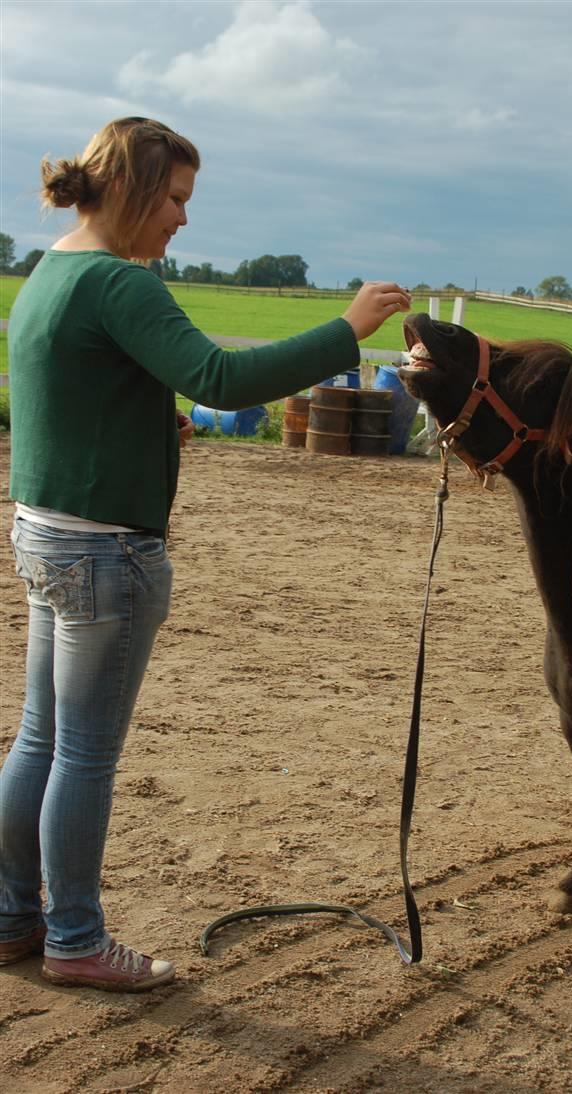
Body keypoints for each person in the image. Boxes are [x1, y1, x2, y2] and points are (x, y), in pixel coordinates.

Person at [0, 116, 411, 992]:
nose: (183, 219)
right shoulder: (122, 282)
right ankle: (75, 938)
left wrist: (151, 426)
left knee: (39, 740)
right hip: (106, 555)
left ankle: (10, 919)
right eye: (176, 199)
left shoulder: (52, 269)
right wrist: (346, 330)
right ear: (130, 188)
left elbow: (72, 395)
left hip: (44, 533)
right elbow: (221, 379)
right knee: (83, 756)